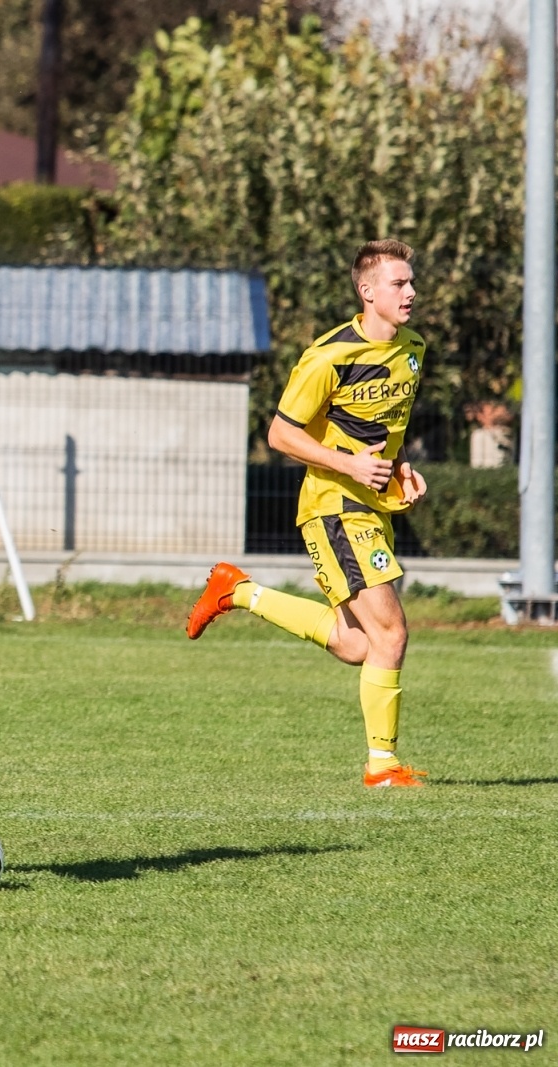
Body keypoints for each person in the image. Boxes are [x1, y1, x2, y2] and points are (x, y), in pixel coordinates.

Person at [186, 239, 429, 788]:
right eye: (399, 283)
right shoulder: (329, 355)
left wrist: (400, 469)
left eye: (411, 282)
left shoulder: (413, 348)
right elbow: (280, 434)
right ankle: (383, 767)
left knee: (357, 645)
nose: (411, 292)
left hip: (371, 504)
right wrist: (348, 465)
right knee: (390, 635)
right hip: (335, 508)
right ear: (367, 291)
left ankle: (236, 591)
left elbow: (385, 430)